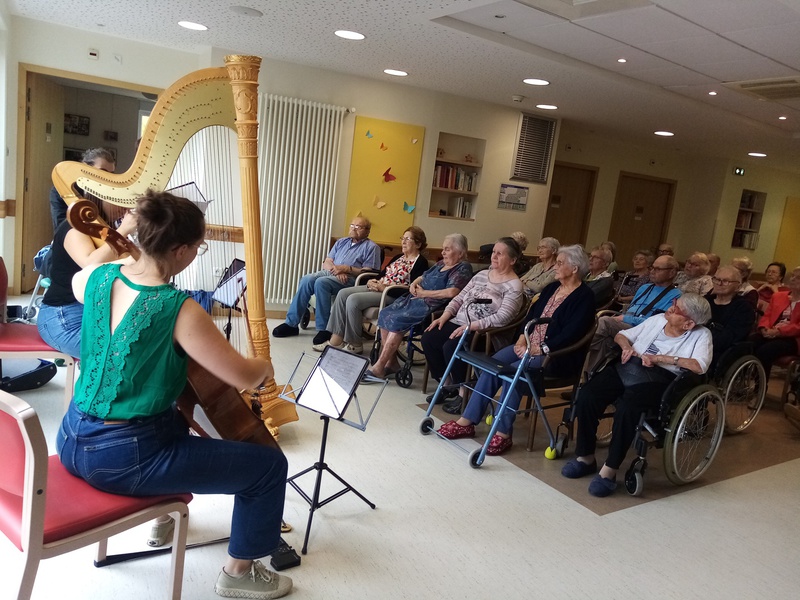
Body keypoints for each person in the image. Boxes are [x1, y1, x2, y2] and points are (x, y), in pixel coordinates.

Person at [56, 190, 293, 599]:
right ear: (180, 250)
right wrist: (265, 367)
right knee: (269, 466)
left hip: (70, 437)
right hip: (122, 459)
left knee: (175, 416)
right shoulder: (179, 309)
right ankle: (238, 574)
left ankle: (162, 516)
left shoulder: (98, 277)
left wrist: (126, 248)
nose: (196, 253)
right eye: (198, 247)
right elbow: (242, 376)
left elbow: (86, 274)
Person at [437, 245, 595, 455]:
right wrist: (522, 338)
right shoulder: (552, 288)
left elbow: (572, 333)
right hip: (528, 345)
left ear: (574, 269)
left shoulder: (585, 297)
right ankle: (467, 420)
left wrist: (542, 348)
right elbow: (531, 316)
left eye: (559, 263)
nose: (555, 267)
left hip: (556, 355)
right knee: (493, 364)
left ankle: (503, 433)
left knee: (514, 372)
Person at [562, 293, 712, 497]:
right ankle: (585, 457)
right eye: (674, 303)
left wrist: (661, 358)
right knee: (588, 395)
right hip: (629, 367)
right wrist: (626, 348)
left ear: (689, 324)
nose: (670, 307)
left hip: (660, 378)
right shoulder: (657, 319)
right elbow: (622, 335)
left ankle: (609, 470)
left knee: (627, 409)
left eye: (676, 309)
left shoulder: (702, 335)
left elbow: (699, 365)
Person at [422, 237, 524, 413]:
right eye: (494, 252)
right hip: (460, 322)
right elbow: (459, 298)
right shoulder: (482, 275)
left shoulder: (514, 286)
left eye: (500, 254)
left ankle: (464, 392)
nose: (494, 256)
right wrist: (445, 316)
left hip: (485, 333)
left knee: (451, 346)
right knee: (429, 338)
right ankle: (447, 385)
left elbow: (503, 317)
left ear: (513, 260)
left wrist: (472, 326)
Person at [37, 201, 138, 358]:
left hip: (92, 312)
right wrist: (123, 230)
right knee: (125, 354)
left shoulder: (104, 228)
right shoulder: (73, 228)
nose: (124, 207)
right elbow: (90, 265)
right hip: (63, 318)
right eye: (117, 200)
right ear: (100, 197)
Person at [367, 234, 473, 378]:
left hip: (431, 306)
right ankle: (391, 363)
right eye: (443, 249)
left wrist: (424, 293)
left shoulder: (463, 267)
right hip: (414, 300)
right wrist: (413, 284)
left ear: (460, 253)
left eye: (447, 249)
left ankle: (379, 366)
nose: (442, 252)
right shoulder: (441, 263)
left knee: (397, 320)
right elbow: (422, 276)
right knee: (386, 313)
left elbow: (452, 292)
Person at [313, 226, 428, 354]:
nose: (403, 242)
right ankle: (336, 339)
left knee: (353, 300)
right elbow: (382, 274)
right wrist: (371, 281)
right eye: (403, 238)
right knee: (342, 294)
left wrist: (384, 288)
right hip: (379, 287)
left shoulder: (421, 262)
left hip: (392, 294)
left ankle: (355, 343)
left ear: (418, 244)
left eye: (408, 239)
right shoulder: (398, 257)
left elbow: (411, 290)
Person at [272, 215, 381, 345]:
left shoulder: (372, 247)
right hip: (332, 272)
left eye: (358, 227)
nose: (354, 228)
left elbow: (369, 273)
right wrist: (336, 270)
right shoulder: (341, 242)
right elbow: (327, 262)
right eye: (352, 225)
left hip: (351, 279)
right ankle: (291, 324)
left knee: (321, 283)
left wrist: (347, 269)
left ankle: (324, 328)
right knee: (307, 279)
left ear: (367, 231)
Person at [584, 254, 681, 373]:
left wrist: (624, 319)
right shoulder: (645, 287)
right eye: (652, 268)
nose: (652, 271)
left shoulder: (676, 295)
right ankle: (591, 377)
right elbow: (631, 309)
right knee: (603, 340)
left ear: (671, 273)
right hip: (626, 323)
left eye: (658, 269)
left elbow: (658, 323)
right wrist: (621, 317)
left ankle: (575, 348)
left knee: (604, 322)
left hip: (643, 330)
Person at [749, 266, 800, 382]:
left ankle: (760, 386)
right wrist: (763, 328)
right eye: (793, 276)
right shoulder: (778, 296)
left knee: (766, 351)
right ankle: (741, 380)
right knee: (749, 342)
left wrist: (778, 332)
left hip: (793, 339)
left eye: (798, 277)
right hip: (772, 332)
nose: (792, 279)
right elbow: (767, 316)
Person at [50, 148, 116, 232]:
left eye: (111, 174)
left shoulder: (108, 192)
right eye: (103, 172)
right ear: (85, 167)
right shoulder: (62, 190)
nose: (107, 178)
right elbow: (60, 225)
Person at [704, 265, 756, 362]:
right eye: (716, 279)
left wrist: (701, 341)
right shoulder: (705, 301)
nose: (719, 284)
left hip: (720, 351)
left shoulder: (743, 308)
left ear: (738, 287)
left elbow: (730, 338)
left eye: (725, 281)